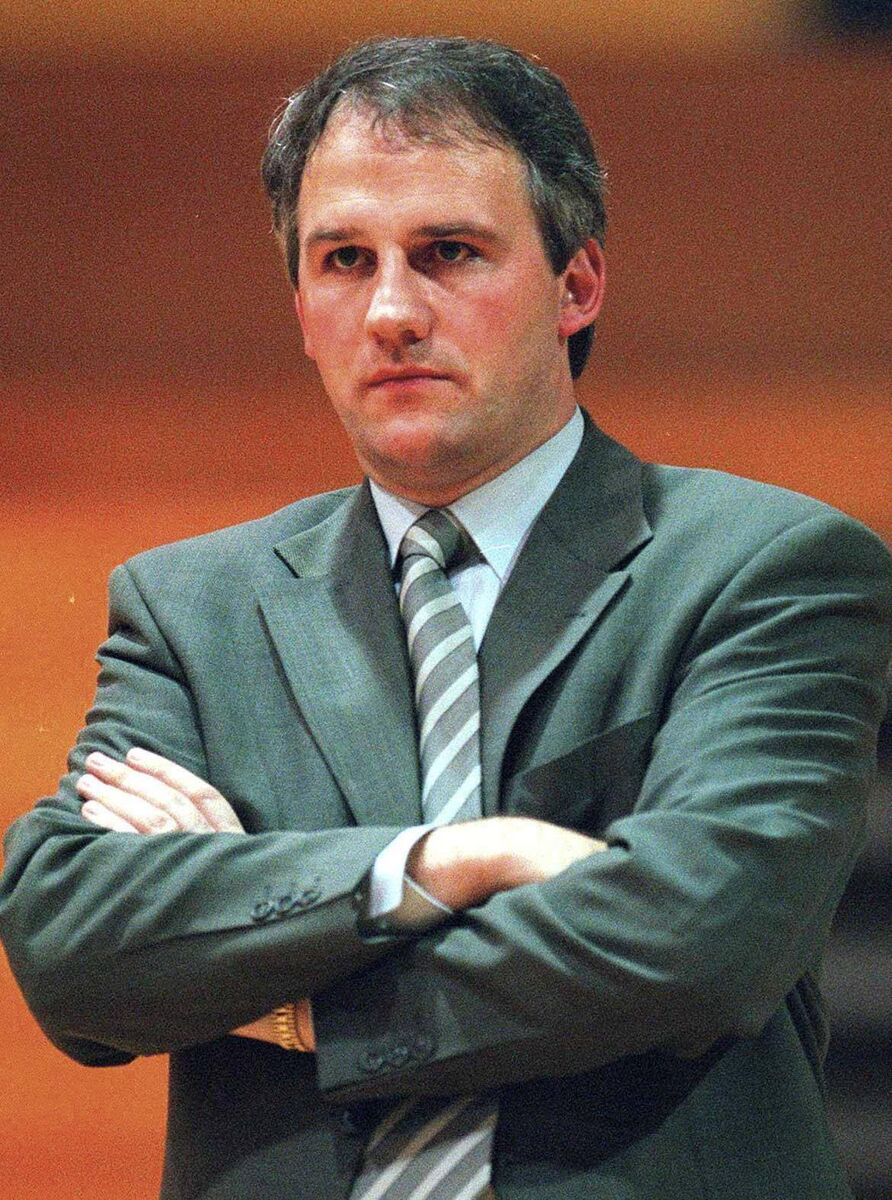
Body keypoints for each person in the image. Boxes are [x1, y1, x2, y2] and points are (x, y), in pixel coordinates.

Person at [1, 35, 891, 1200]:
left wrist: (288, 996)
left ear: (576, 285)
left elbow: (692, 944)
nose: (389, 312)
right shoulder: (192, 609)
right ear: (301, 308)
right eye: (343, 260)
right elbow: (71, 944)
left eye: (449, 253)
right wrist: (451, 861)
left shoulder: (765, 567)